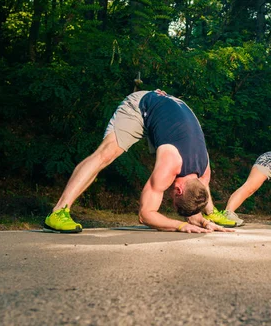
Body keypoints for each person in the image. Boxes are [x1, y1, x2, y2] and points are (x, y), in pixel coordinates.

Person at [44, 89, 236, 233]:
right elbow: (145, 215)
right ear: (178, 191)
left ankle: (211, 215)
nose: (170, 196)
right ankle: (58, 212)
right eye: (174, 201)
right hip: (142, 105)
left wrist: (202, 220)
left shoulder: (203, 174)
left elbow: (196, 196)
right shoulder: (170, 165)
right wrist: (181, 225)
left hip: (174, 107)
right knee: (105, 155)